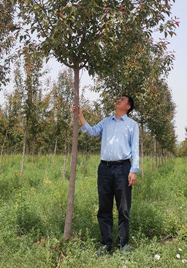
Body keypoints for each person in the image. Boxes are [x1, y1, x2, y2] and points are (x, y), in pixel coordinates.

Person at [73, 95, 140, 254]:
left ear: (128, 107)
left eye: (123, 100)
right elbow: (92, 131)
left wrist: (133, 170)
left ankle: (123, 245)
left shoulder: (132, 125)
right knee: (104, 207)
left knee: (123, 208)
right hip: (104, 169)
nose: (118, 100)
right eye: (119, 99)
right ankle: (106, 244)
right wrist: (80, 116)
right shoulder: (106, 121)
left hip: (123, 169)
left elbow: (135, 149)